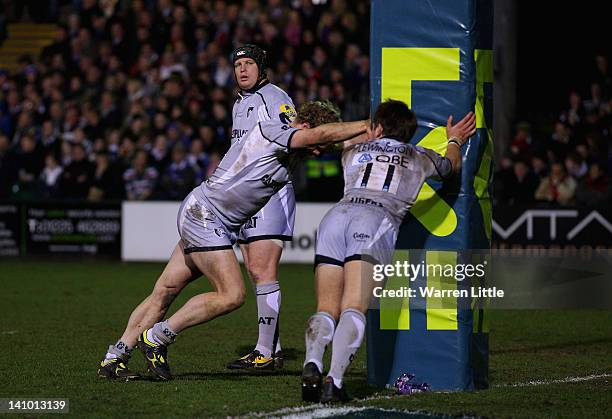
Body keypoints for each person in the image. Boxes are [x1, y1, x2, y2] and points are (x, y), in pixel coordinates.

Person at [96, 101, 368, 381]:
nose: (317, 153)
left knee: (164, 292)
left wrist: (382, 130)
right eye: (317, 146)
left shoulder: (298, 147)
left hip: (205, 214)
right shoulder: (275, 130)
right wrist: (366, 123)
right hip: (206, 215)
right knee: (232, 294)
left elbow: (335, 140)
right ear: (307, 126)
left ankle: (114, 358)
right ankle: (157, 337)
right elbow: (320, 138)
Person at [300, 99, 476, 403]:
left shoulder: (352, 149)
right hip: (375, 220)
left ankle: (312, 363)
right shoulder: (418, 155)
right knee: (354, 305)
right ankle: (334, 381)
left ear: (378, 126)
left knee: (326, 307)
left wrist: (363, 131)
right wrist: (455, 139)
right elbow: (451, 167)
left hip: (335, 217)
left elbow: (324, 139)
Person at [225, 44, 298, 370]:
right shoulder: (240, 104)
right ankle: (273, 348)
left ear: (261, 66)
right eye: (238, 64)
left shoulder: (275, 97)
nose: (242, 69)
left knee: (262, 270)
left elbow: (294, 135)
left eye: (248, 62)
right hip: (244, 196)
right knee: (256, 273)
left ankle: (265, 352)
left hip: (270, 190)